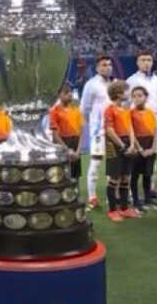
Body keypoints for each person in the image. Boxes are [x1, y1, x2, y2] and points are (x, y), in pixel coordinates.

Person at [126, 49, 157, 199]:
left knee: (153, 158)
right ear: (137, 62)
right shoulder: (131, 80)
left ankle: (150, 189)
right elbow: (126, 103)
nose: (146, 63)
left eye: (149, 60)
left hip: (154, 124)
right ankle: (131, 193)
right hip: (138, 126)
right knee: (135, 161)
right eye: (143, 60)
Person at [79, 55, 113, 210]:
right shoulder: (91, 85)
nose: (107, 67)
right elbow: (84, 108)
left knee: (113, 163)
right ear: (98, 67)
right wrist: (94, 124)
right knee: (96, 162)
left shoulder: (115, 83)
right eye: (104, 65)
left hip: (113, 132)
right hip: (98, 132)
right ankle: (92, 196)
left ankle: (113, 194)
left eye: (109, 64)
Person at [103, 80, 140, 221]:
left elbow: (130, 128)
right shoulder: (109, 109)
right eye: (125, 90)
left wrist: (132, 144)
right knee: (114, 178)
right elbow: (109, 130)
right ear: (118, 94)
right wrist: (123, 146)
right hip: (114, 145)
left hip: (127, 144)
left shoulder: (125, 110)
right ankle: (112, 210)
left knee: (126, 177)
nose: (128, 93)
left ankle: (124, 208)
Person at [129, 86, 157, 212]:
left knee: (148, 174)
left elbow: (155, 130)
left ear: (146, 97)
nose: (137, 98)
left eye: (140, 96)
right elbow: (131, 132)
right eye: (134, 96)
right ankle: (136, 201)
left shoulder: (150, 112)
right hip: (138, 147)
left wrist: (153, 148)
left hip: (150, 145)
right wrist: (140, 149)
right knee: (135, 175)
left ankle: (148, 199)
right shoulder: (130, 113)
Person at [49, 83, 84, 180]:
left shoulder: (76, 110)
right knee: (62, 175)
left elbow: (81, 132)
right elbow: (55, 135)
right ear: (59, 94)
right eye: (66, 93)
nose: (70, 95)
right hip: (63, 144)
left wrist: (78, 151)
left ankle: (77, 194)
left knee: (75, 175)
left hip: (75, 143)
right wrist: (67, 150)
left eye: (71, 92)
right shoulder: (54, 111)